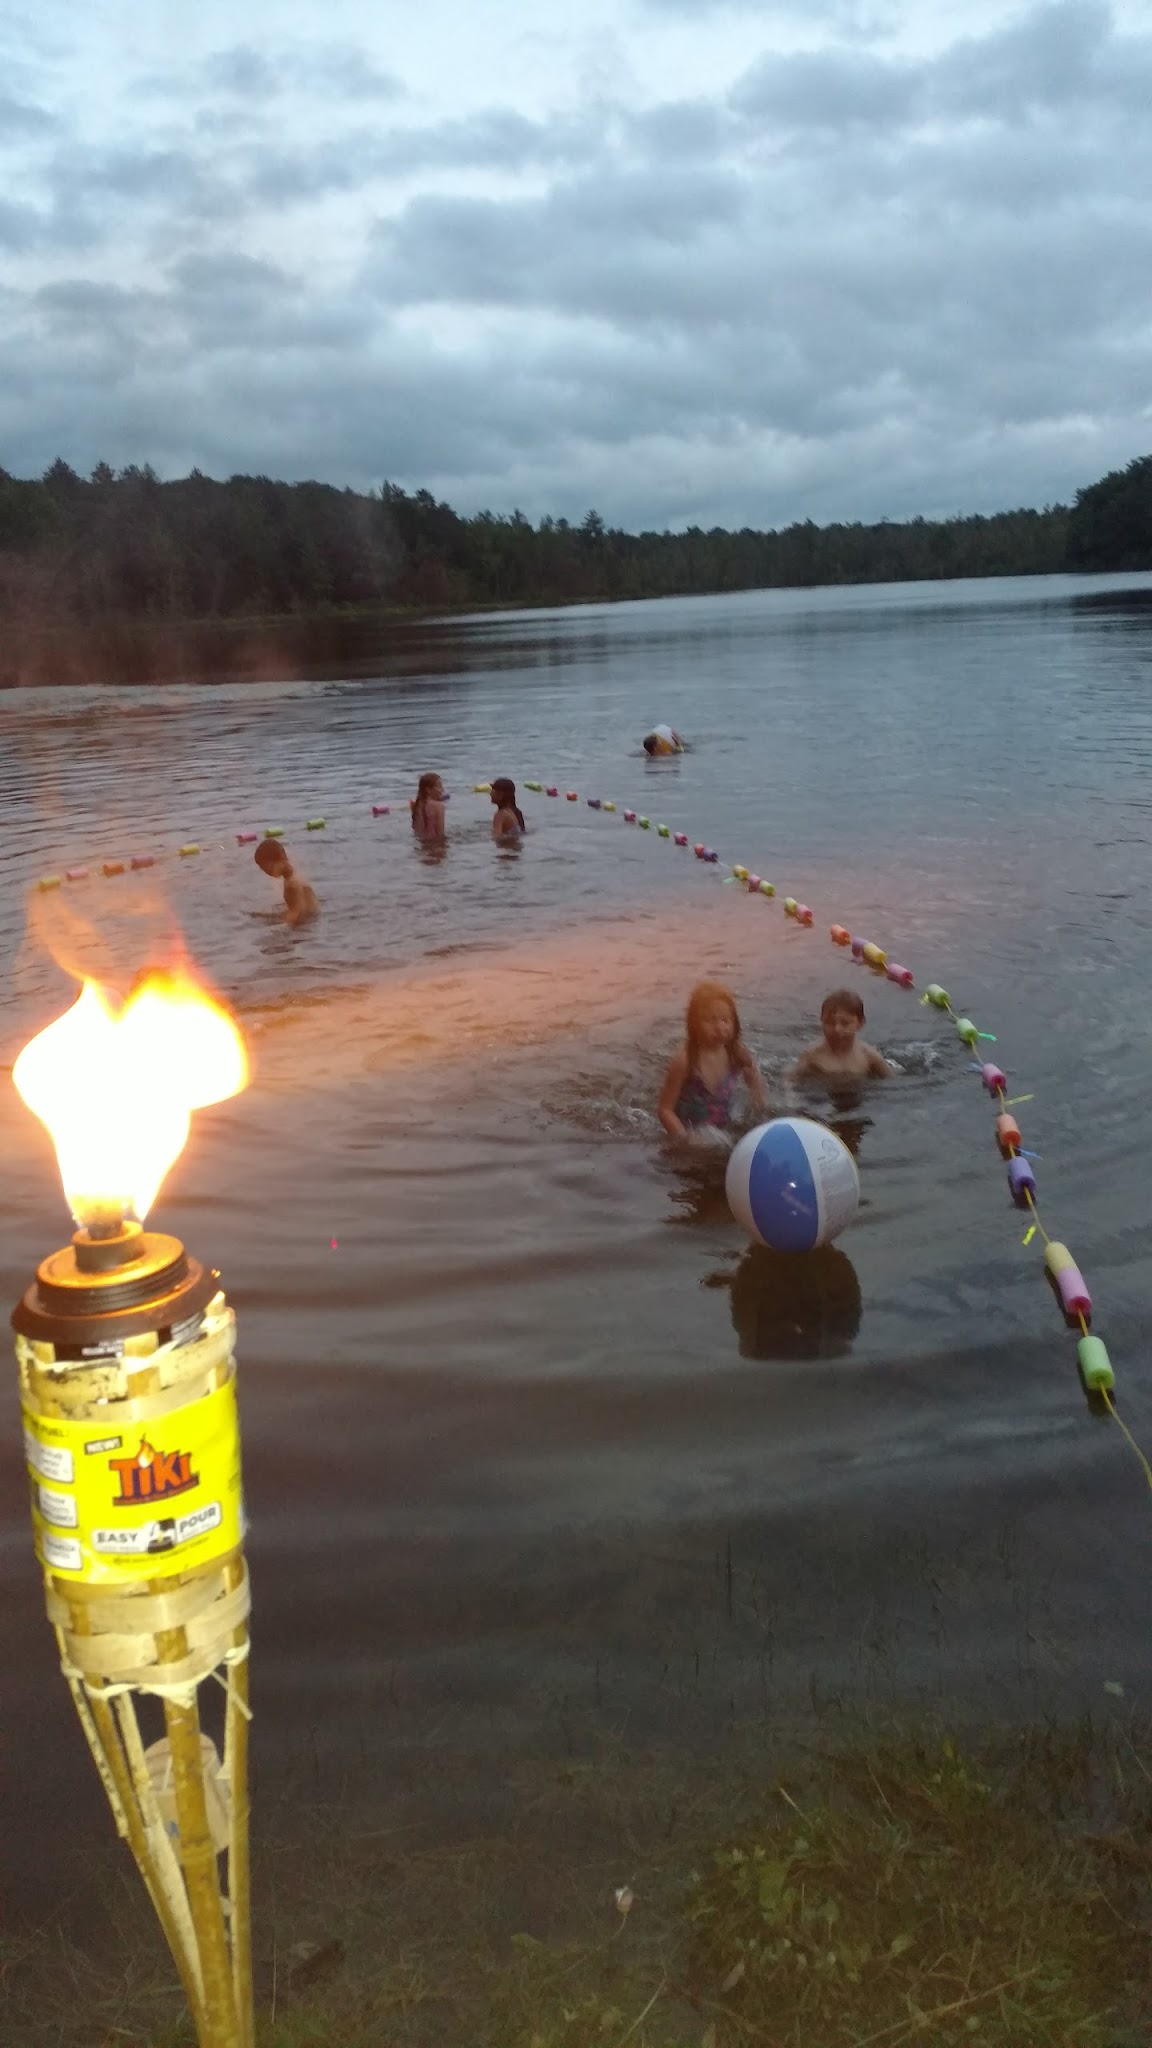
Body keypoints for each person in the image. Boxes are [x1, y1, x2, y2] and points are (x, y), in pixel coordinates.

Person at [658, 981, 765, 1140]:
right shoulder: (685, 1061)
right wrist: (685, 1140)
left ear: (734, 1022)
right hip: (692, 1135)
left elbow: (756, 1087)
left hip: (725, 1132)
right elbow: (665, 1110)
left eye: (725, 1019)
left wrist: (755, 1113)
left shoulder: (737, 1053)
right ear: (694, 1024)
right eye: (710, 1020)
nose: (719, 1027)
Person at [792, 990, 889, 1083]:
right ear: (821, 1020)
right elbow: (789, 1082)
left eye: (845, 1023)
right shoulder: (812, 1056)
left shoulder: (870, 1057)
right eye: (830, 1022)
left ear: (860, 1023)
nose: (837, 1029)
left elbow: (890, 1081)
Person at [253, 839, 319, 925]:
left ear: (281, 858)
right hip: (313, 918)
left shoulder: (291, 885)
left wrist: (276, 931)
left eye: (268, 867)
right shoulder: (295, 876)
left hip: (304, 925)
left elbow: (294, 915)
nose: (265, 871)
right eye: (262, 868)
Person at [411, 772, 447, 841]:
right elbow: (440, 833)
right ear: (428, 790)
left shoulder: (417, 805)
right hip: (435, 845)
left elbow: (416, 830)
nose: (442, 789)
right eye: (439, 786)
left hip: (421, 845)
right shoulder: (439, 806)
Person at [490, 777, 526, 841]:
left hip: (506, 850)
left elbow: (496, 838)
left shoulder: (500, 815)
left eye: (493, 791)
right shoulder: (511, 812)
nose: (490, 794)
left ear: (500, 795)